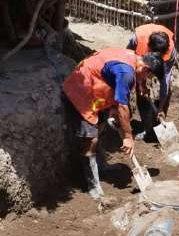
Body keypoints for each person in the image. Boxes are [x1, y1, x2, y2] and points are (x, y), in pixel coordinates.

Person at [62, 48, 164, 198]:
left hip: (97, 90)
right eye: (148, 76)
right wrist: (128, 136)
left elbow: (121, 88)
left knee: (101, 128)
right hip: (81, 92)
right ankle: (93, 186)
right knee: (91, 139)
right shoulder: (126, 73)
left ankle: (101, 166)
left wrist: (140, 85)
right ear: (146, 69)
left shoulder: (133, 58)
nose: (146, 79)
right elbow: (123, 105)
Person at [127, 23, 176, 140]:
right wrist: (141, 84)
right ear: (149, 48)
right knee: (141, 93)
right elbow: (128, 59)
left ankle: (160, 121)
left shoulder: (170, 53)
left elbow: (164, 81)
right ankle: (147, 128)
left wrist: (161, 108)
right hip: (139, 63)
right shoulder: (137, 40)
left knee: (169, 90)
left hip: (152, 62)